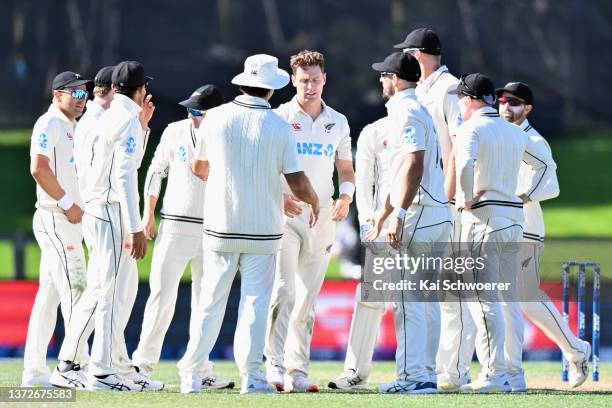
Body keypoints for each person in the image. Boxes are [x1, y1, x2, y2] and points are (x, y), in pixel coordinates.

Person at [177, 54, 320, 394]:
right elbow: (297, 181)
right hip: (263, 231)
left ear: (242, 82)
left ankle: (191, 375)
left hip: (221, 226)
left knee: (210, 301)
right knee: (255, 304)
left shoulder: (215, 118)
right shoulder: (279, 127)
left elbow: (198, 167)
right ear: (270, 90)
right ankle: (252, 377)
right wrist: (314, 201)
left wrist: (231, 182)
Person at [52, 61, 158, 391]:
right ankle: (100, 370)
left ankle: (70, 362)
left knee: (101, 291)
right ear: (141, 90)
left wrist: (143, 128)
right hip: (110, 211)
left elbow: (123, 165)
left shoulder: (107, 115)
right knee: (108, 294)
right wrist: (135, 226)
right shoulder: (124, 118)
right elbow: (126, 175)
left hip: (97, 207)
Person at [448, 73, 547, 393]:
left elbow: (464, 166)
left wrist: (465, 198)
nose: (459, 105)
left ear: (468, 98)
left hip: (484, 220)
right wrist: (525, 195)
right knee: (506, 299)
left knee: (482, 298)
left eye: (460, 99)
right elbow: (545, 168)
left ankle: (492, 374)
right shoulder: (515, 133)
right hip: (513, 221)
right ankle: (513, 376)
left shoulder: (470, 128)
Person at [264, 50, 355, 393]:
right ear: (292, 80)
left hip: (323, 218)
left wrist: (345, 198)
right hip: (285, 215)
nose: (310, 86)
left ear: (325, 79)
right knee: (283, 291)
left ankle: (297, 370)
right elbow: (265, 166)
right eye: (304, 81)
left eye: (316, 79)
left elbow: (346, 170)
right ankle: (273, 365)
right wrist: (279, 194)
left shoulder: (339, 121)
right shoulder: (279, 117)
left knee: (306, 299)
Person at [131, 84, 232, 389]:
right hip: (174, 226)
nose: (192, 116)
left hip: (213, 228)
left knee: (206, 301)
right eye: (189, 109)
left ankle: (200, 368)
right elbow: (155, 170)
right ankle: (141, 366)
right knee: (161, 296)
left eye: (198, 112)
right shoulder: (176, 131)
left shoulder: (228, 136)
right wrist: (148, 213)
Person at [366, 52, 451, 394]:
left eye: (384, 75)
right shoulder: (414, 109)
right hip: (431, 213)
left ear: (397, 80)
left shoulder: (407, 111)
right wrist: (383, 214)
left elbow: (414, 165)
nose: (380, 81)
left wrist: (398, 215)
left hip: (419, 214)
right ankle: (425, 374)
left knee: (406, 300)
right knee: (425, 301)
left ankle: (412, 377)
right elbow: (399, 173)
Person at [496, 81, 591, 389]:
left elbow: (551, 185)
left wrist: (518, 198)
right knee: (507, 301)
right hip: (499, 226)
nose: (505, 106)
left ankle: (574, 350)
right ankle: (512, 371)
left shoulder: (534, 141)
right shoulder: (499, 135)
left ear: (528, 108)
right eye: (501, 101)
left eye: (513, 102)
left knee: (524, 298)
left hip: (525, 228)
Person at [394, 27, 466, 384]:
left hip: (438, 202)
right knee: (431, 293)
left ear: (418, 55)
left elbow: (456, 145)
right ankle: (438, 371)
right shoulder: (421, 89)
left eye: (407, 54)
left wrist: (449, 197)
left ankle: (447, 370)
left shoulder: (449, 88)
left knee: (442, 295)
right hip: (429, 200)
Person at [22, 71, 91, 387]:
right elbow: (38, 168)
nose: (81, 99)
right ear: (57, 95)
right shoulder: (48, 123)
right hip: (55, 218)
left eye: (84, 93)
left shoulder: (73, 127)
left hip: (69, 222)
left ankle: (34, 373)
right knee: (76, 290)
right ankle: (75, 368)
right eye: (74, 93)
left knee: (48, 298)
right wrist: (67, 203)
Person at [328, 116, 390, 390]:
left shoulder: (430, 117)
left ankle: (421, 372)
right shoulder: (375, 130)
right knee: (368, 296)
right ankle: (355, 372)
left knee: (414, 302)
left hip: (421, 223)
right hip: (382, 227)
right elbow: (362, 182)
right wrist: (370, 221)